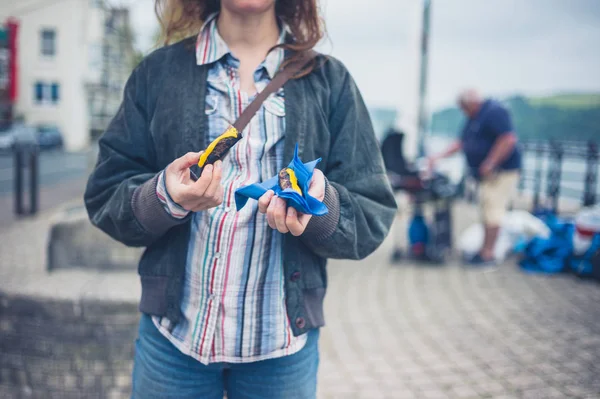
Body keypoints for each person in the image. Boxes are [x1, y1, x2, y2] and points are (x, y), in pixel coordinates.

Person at [84, 0, 396, 398]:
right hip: (173, 345)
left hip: (281, 351)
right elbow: (106, 191)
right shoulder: (157, 72)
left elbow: (373, 214)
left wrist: (320, 205)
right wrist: (164, 195)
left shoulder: (330, 82)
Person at [429, 89, 521, 266]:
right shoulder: (474, 117)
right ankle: (484, 251)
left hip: (501, 172)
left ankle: (488, 255)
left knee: (494, 210)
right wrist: (437, 157)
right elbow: (461, 142)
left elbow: (508, 139)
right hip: (486, 175)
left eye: (464, 108)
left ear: (471, 103)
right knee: (487, 210)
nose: (463, 111)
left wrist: (491, 162)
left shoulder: (494, 111)